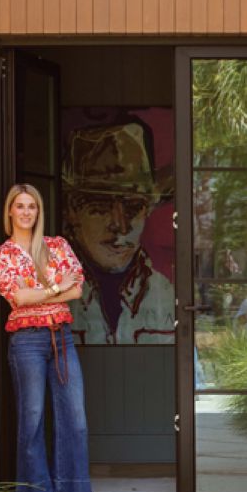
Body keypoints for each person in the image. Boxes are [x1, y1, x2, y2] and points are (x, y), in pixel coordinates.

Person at [0, 184, 96, 492]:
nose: (26, 212)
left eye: (32, 207)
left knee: (75, 420)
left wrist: (43, 293)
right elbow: (17, 298)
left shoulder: (57, 245)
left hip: (61, 338)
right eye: (20, 206)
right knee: (32, 421)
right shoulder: (2, 254)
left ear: (39, 211)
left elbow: (77, 289)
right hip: (27, 342)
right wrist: (53, 289)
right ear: (10, 212)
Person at [62, 122, 175, 344]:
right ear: (73, 211)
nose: (120, 226)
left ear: (148, 210)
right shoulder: (57, 287)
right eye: (101, 205)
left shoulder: (163, 293)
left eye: (133, 206)